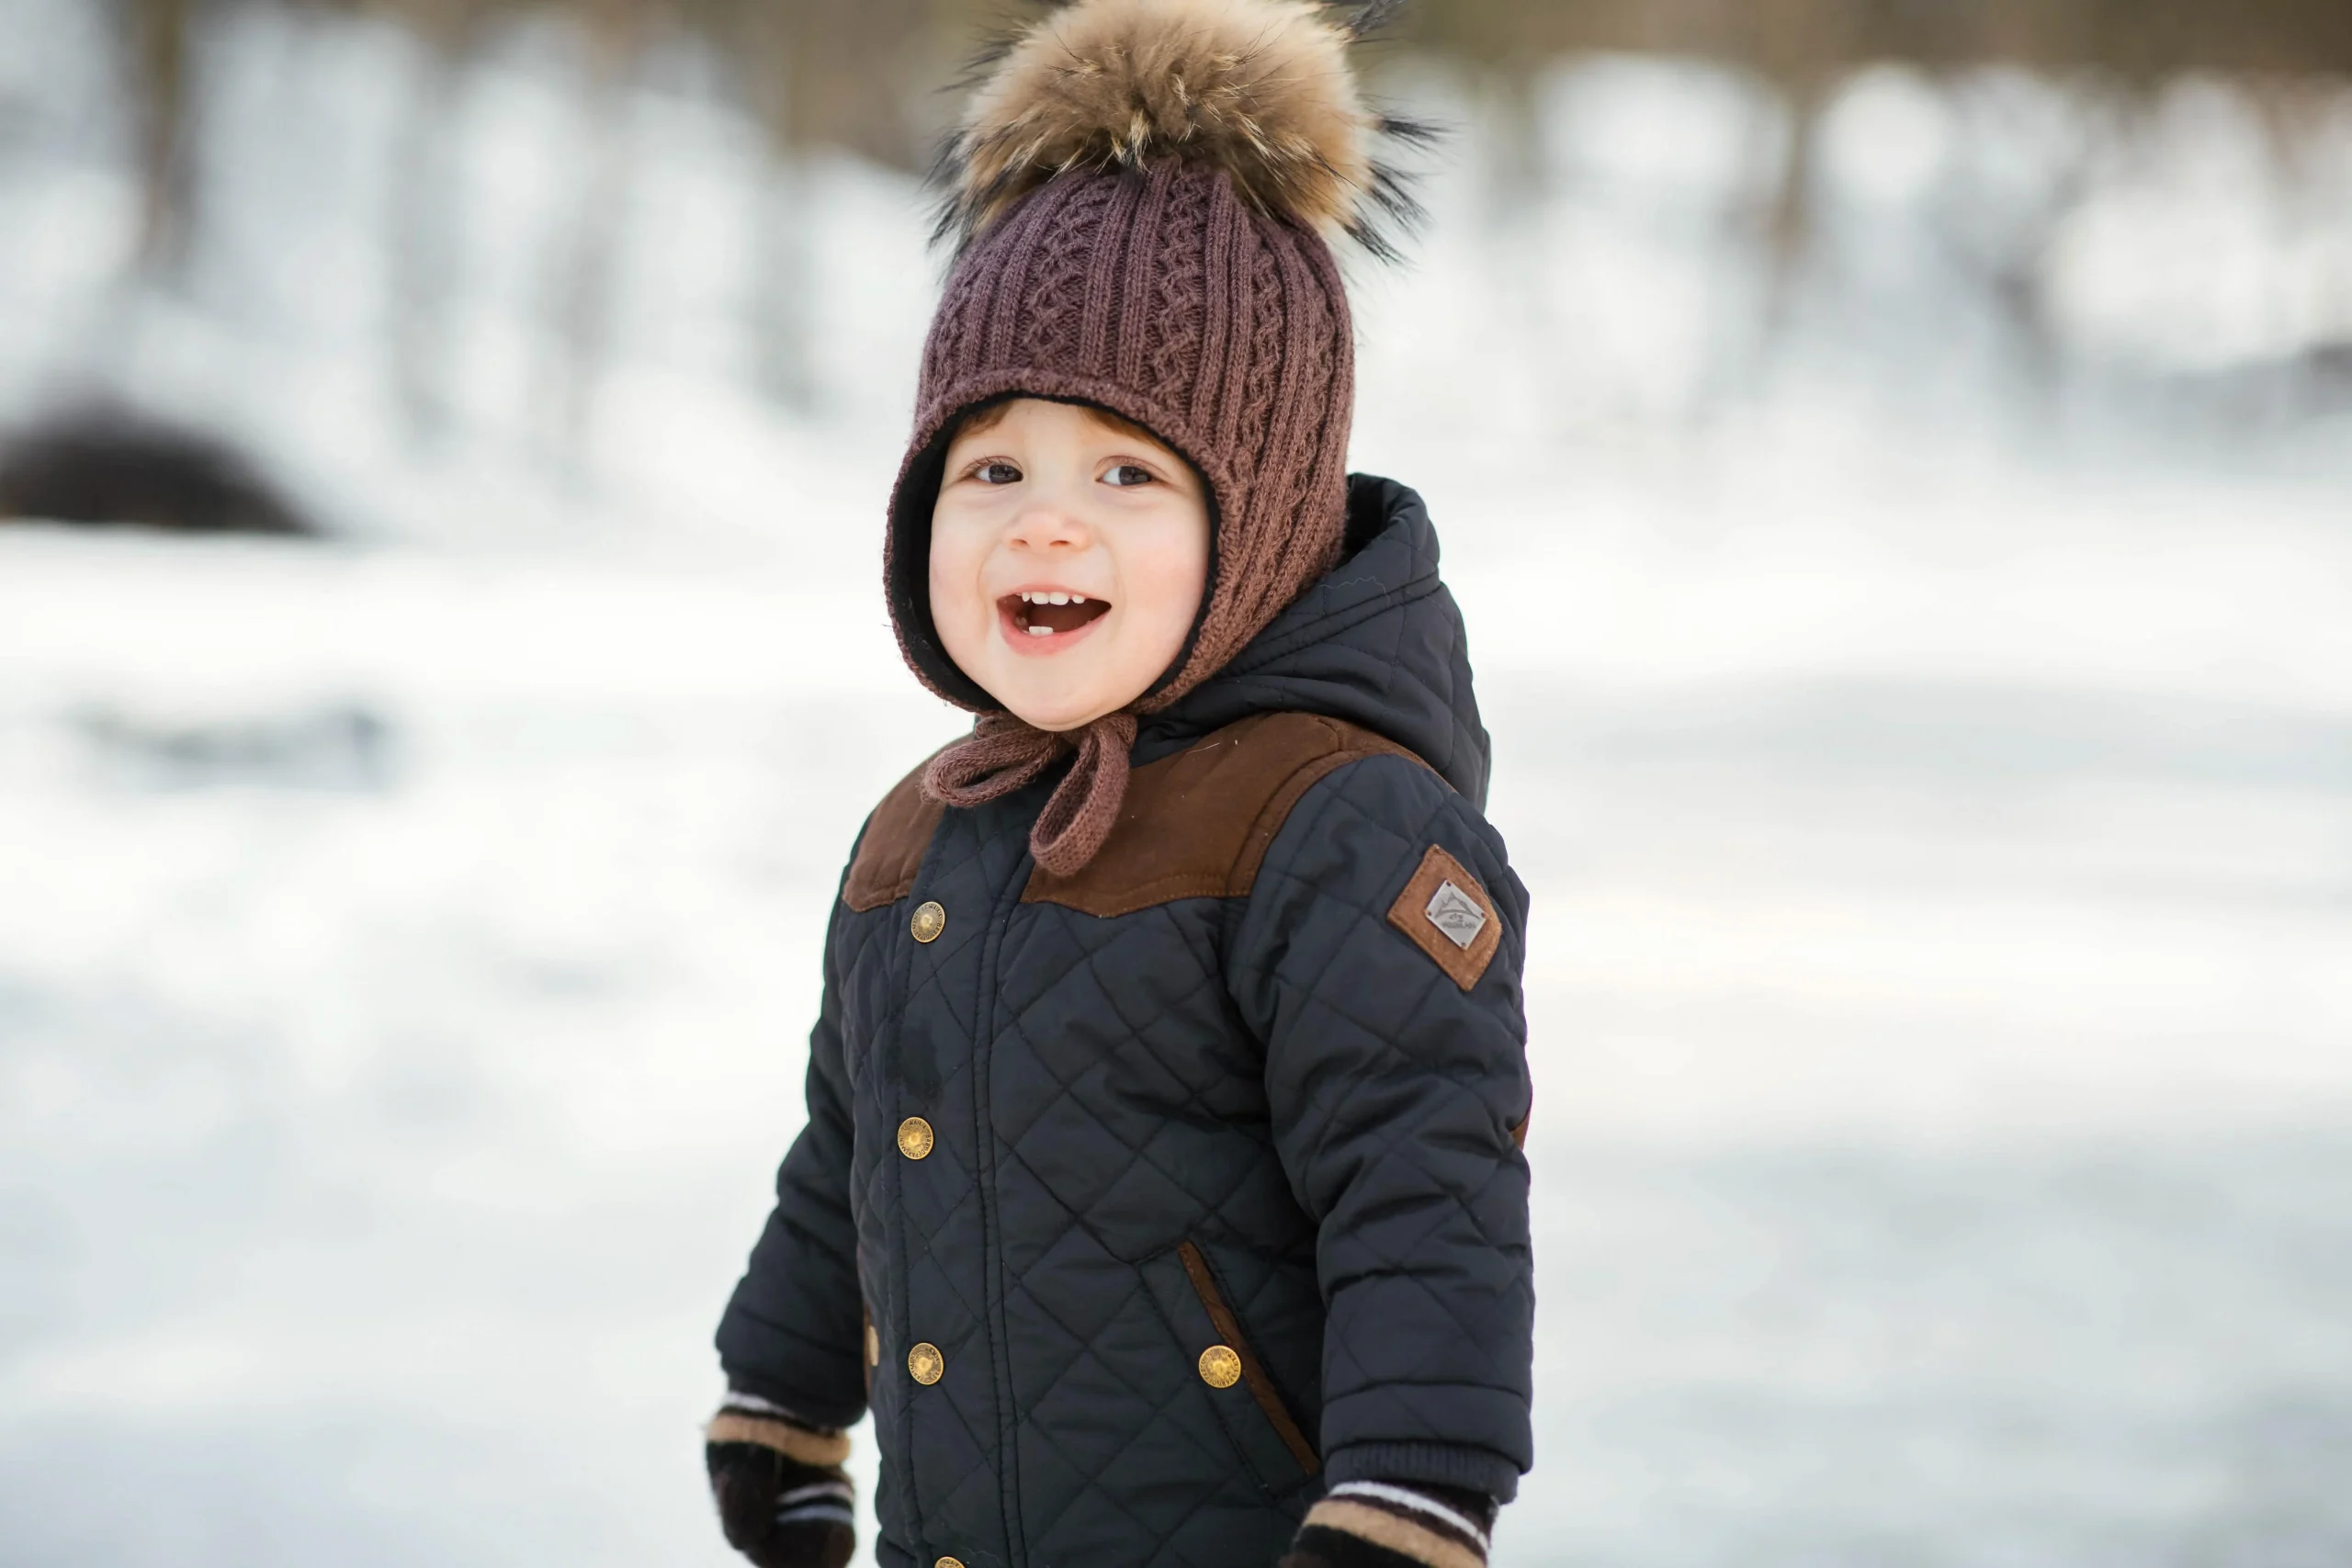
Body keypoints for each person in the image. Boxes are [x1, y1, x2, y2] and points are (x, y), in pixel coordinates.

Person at [704, 2, 1533, 1564]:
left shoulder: (1331, 819)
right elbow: (856, 1143)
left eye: (1128, 473)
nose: (1045, 525)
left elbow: (1427, 1184)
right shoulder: (920, 829)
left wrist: (1415, 1491)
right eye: (993, 468)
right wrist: (782, 1389)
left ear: (1266, 517)